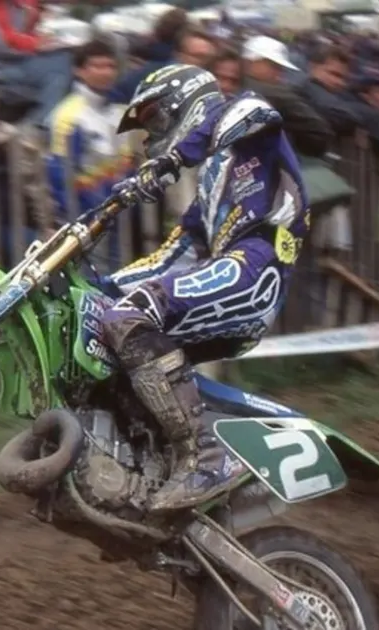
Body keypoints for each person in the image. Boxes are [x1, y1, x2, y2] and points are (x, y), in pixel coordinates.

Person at [94, 64, 310, 511]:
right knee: (108, 324)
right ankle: (151, 463)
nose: (152, 136)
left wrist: (174, 159)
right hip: (229, 273)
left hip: (256, 265)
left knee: (131, 314)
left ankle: (208, 457)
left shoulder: (248, 117)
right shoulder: (210, 186)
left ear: (185, 103)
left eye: (155, 120)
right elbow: (171, 256)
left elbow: (239, 118)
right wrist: (99, 285)